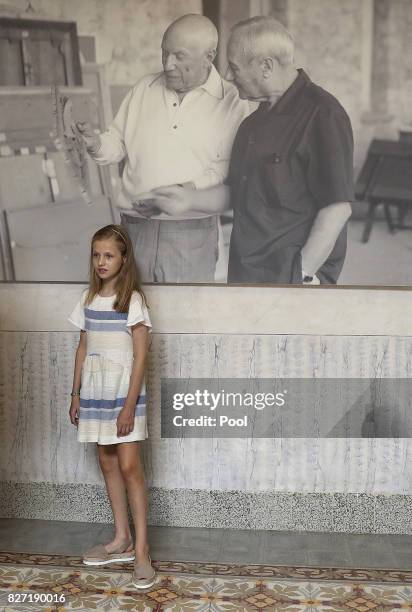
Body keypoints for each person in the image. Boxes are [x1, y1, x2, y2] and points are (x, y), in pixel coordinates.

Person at [145, 16, 354, 285]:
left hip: (293, 279)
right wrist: (188, 200)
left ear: (266, 66)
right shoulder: (251, 124)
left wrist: (302, 277)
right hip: (247, 271)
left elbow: (337, 209)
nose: (229, 76)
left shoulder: (324, 114)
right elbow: (237, 191)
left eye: (234, 67)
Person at [77, 14, 249, 283]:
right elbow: (118, 141)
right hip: (134, 228)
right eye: (164, 53)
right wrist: (96, 143)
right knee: (132, 314)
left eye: (179, 56)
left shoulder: (232, 100)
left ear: (209, 56)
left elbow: (225, 169)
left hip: (190, 233)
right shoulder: (144, 88)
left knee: (186, 319)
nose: (168, 64)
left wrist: (182, 194)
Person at [68, 224, 155, 590]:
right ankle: (121, 539)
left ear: (123, 259)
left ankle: (143, 553)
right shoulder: (88, 299)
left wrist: (129, 405)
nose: (101, 262)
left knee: (130, 465)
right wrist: (75, 394)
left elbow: (140, 356)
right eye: (96, 255)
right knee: (106, 459)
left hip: (123, 394)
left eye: (109, 255)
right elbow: (83, 347)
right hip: (95, 392)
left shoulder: (131, 300)